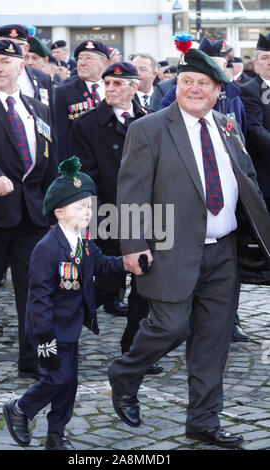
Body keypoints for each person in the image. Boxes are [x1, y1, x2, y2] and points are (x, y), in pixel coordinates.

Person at [107, 37, 270, 448]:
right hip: (170, 248)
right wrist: (132, 244)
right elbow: (130, 193)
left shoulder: (227, 125)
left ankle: (203, 421)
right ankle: (126, 374)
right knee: (169, 327)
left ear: (219, 90)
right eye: (186, 81)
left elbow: (246, 181)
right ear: (176, 85)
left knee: (213, 340)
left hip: (224, 252)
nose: (193, 88)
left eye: (203, 83)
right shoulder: (149, 129)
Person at [3, 156, 125, 450]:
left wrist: (128, 263)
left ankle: (56, 435)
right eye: (80, 207)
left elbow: (103, 265)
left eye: (89, 206)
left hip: (69, 328)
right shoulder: (47, 248)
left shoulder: (84, 240)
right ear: (59, 212)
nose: (88, 212)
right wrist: (44, 340)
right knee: (59, 378)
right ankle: (20, 409)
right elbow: (38, 299)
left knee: (68, 384)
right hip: (49, 329)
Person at [0, 40, 57, 378]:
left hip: (31, 215)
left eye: (5, 61)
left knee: (35, 289)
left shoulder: (39, 109)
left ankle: (33, 359)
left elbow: (49, 161)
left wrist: (56, 211)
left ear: (22, 66)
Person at [71, 62, 163, 374]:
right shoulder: (87, 124)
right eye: (107, 82)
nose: (110, 88)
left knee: (144, 285)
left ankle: (134, 349)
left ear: (134, 87)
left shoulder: (149, 120)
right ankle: (60, 326)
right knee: (108, 285)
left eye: (118, 83)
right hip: (108, 214)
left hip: (147, 215)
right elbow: (85, 172)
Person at [0, 25, 53, 108]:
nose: (10, 51)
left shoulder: (43, 78)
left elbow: (50, 116)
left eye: (17, 45)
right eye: (3, 44)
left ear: (26, 49)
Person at [54, 40, 109, 161]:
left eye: (88, 58)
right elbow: (61, 135)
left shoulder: (113, 88)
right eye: (80, 58)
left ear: (104, 63)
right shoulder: (63, 92)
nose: (82, 63)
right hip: (80, 162)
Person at [240, 33, 270, 213]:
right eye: (265, 58)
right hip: (266, 174)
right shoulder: (249, 90)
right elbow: (255, 130)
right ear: (256, 63)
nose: (269, 62)